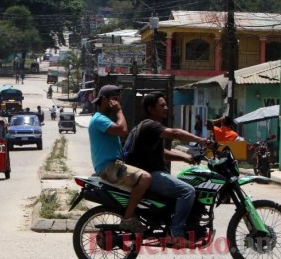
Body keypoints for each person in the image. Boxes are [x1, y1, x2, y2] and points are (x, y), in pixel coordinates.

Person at [125, 92, 208, 245]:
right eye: (162, 105)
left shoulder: (145, 126)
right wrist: (200, 140)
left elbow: (161, 153)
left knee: (184, 185)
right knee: (188, 191)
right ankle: (176, 233)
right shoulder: (151, 125)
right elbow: (175, 133)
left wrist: (184, 157)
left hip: (148, 173)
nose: (166, 108)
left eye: (166, 105)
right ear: (151, 109)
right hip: (149, 174)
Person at [88, 85, 151, 233]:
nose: (117, 103)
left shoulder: (103, 119)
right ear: (104, 99)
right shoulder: (99, 119)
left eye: (118, 101)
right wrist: (119, 111)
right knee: (146, 178)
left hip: (113, 165)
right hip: (109, 167)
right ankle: (128, 219)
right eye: (114, 100)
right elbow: (123, 131)